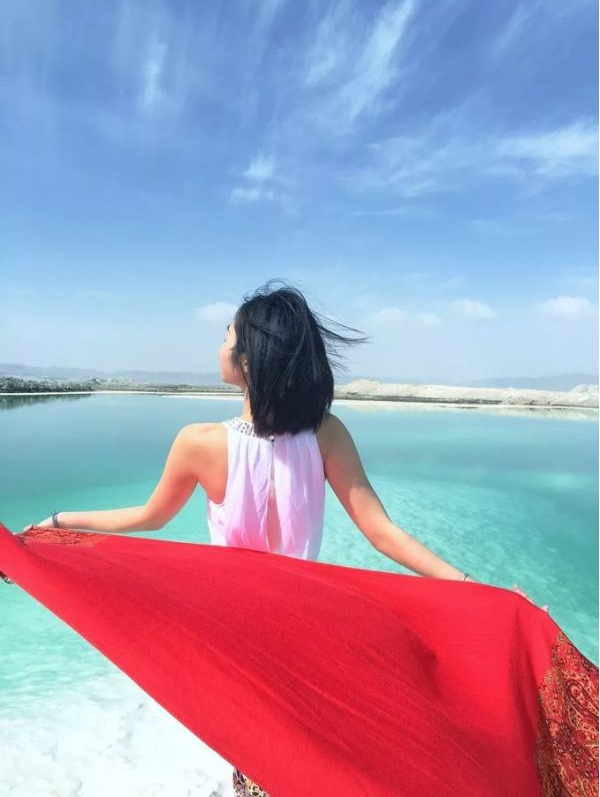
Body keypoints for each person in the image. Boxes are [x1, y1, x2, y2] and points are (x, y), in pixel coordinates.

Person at [4, 281, 584, 797]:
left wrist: (57, 524)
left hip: (236, 627)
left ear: (249, 359)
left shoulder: (199, 441)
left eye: (226, 335)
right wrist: (473, 589)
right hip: (311, 620)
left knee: (261, 748)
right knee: (315, 746)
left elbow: (150, 518)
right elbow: (381, 532)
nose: (218, 346)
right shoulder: (326, 433)